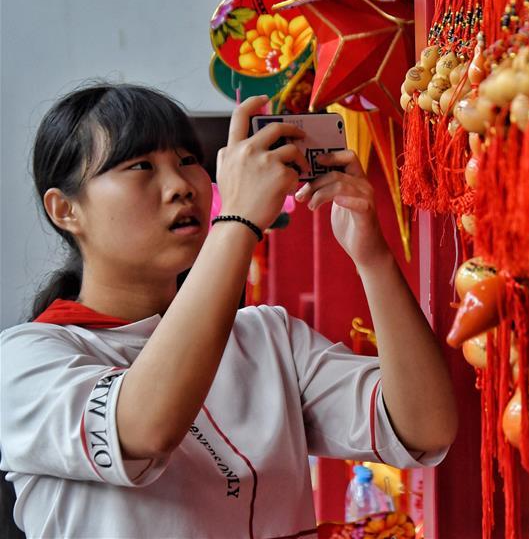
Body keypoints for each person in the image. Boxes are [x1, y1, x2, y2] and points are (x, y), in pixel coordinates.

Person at [0, 84, 458, 538]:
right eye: (140, 166)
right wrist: (237, 220)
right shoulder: (27, 360)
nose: (180, 186)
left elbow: (424, 428)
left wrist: (372, 258)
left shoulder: (267, 337)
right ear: (66, 210)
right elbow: (143, 429)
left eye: (187, 161)